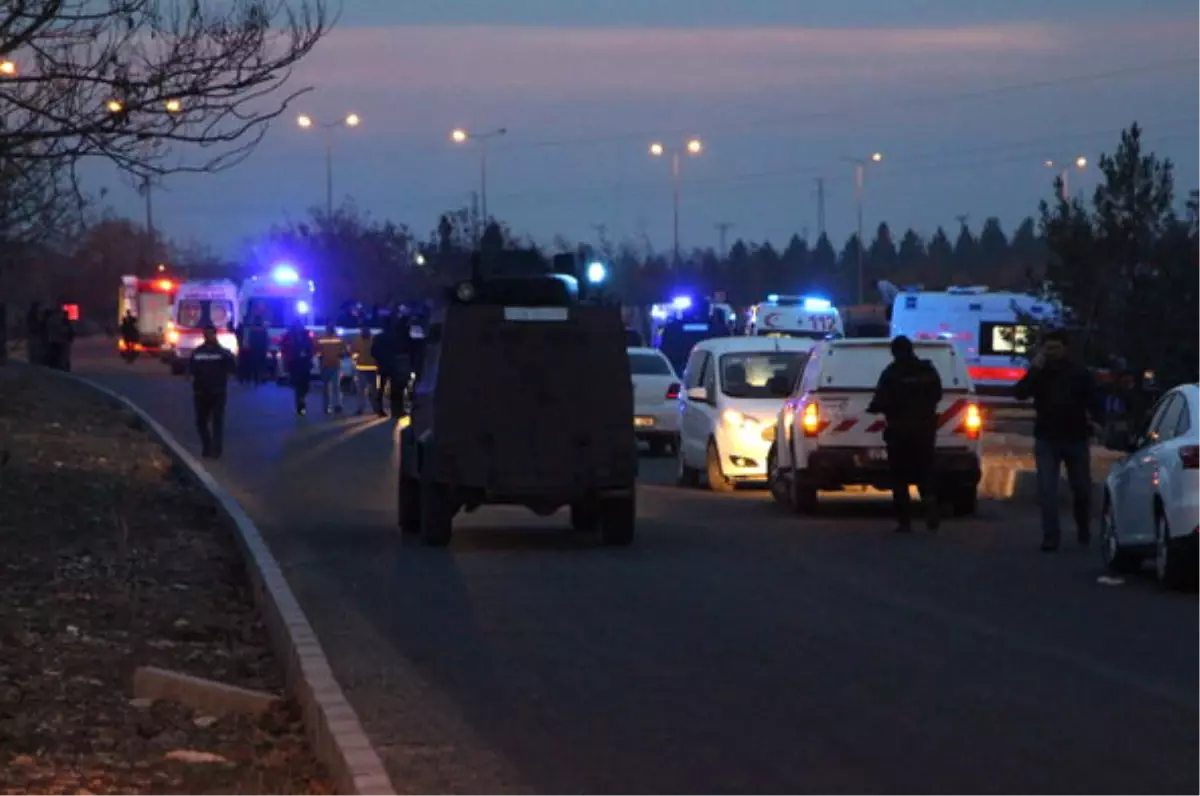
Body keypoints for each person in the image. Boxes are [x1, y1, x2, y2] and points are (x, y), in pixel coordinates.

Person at [1013, 329, 1103, 552]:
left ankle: (1083, 526)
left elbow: (1094, 400)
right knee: (1047, 490)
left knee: (1081, 489)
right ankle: (1051, 536)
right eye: (1047, 348)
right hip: (1047, 437)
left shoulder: (1079, 373)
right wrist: (1035, 367)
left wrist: (1098, 422)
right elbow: (1020, 392)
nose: (1051, 353)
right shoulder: (1040, 372)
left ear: (1065, 348)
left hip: (1075, 437)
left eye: (1055, 348)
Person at [867, 335, 944, 534]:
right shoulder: (927, 370)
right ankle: (930, 502)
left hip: (899, 431)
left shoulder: (892, 373)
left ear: (894, 352)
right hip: (925, 430)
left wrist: (875, 408)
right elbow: (938, 394)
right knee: (925, 470)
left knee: (899, 476)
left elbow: (880, 400)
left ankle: (905, 521)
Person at [187, 323, 236, 458]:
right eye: (206, 334)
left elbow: (232, 368)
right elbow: (190, 371)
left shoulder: (223, 353)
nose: (208, 336)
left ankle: (215, 448)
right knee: (202, 421)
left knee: (216, 421)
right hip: (203, 392)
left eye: (211, 334)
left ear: (215, 335)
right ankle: (208, 446)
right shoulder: (198, 353)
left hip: (216, 392)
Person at [282, 319, 315, 416]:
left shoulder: (306, 335)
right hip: (295, 364)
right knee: (298, 386)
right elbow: (285, 348)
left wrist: (308, 354)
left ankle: (301, 400)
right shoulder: (289, 336)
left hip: (305, 363)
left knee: (305, 386)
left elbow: (311, 346)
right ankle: (300, 406)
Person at [316, 323, 348, 415]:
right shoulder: (338, 338)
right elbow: (343, 351)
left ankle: (329, 406)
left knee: (329, 388)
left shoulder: (321, 338)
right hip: (333, 365)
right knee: (335, 387)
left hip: (327, 366)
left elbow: (318, 350)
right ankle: (336, 405)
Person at [350, 325, 379, 415]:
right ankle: (361, 408)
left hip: (372, 369)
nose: (364, 331)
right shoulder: (357, 341)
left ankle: (375, 408)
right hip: (361, 368)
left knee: (373, 391)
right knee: (361, 391)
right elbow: (352, 352)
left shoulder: (374, 340)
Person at [246, 315, 269, 386]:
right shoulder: (264, 329)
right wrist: (266, 348)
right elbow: (266, 339)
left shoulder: (252, 329)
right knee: (262, 364)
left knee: (254, 364)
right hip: (262, 348)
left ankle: (255, 379)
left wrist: (249, 347)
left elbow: (250, 340)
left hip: (254, 349)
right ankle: (262, 378)